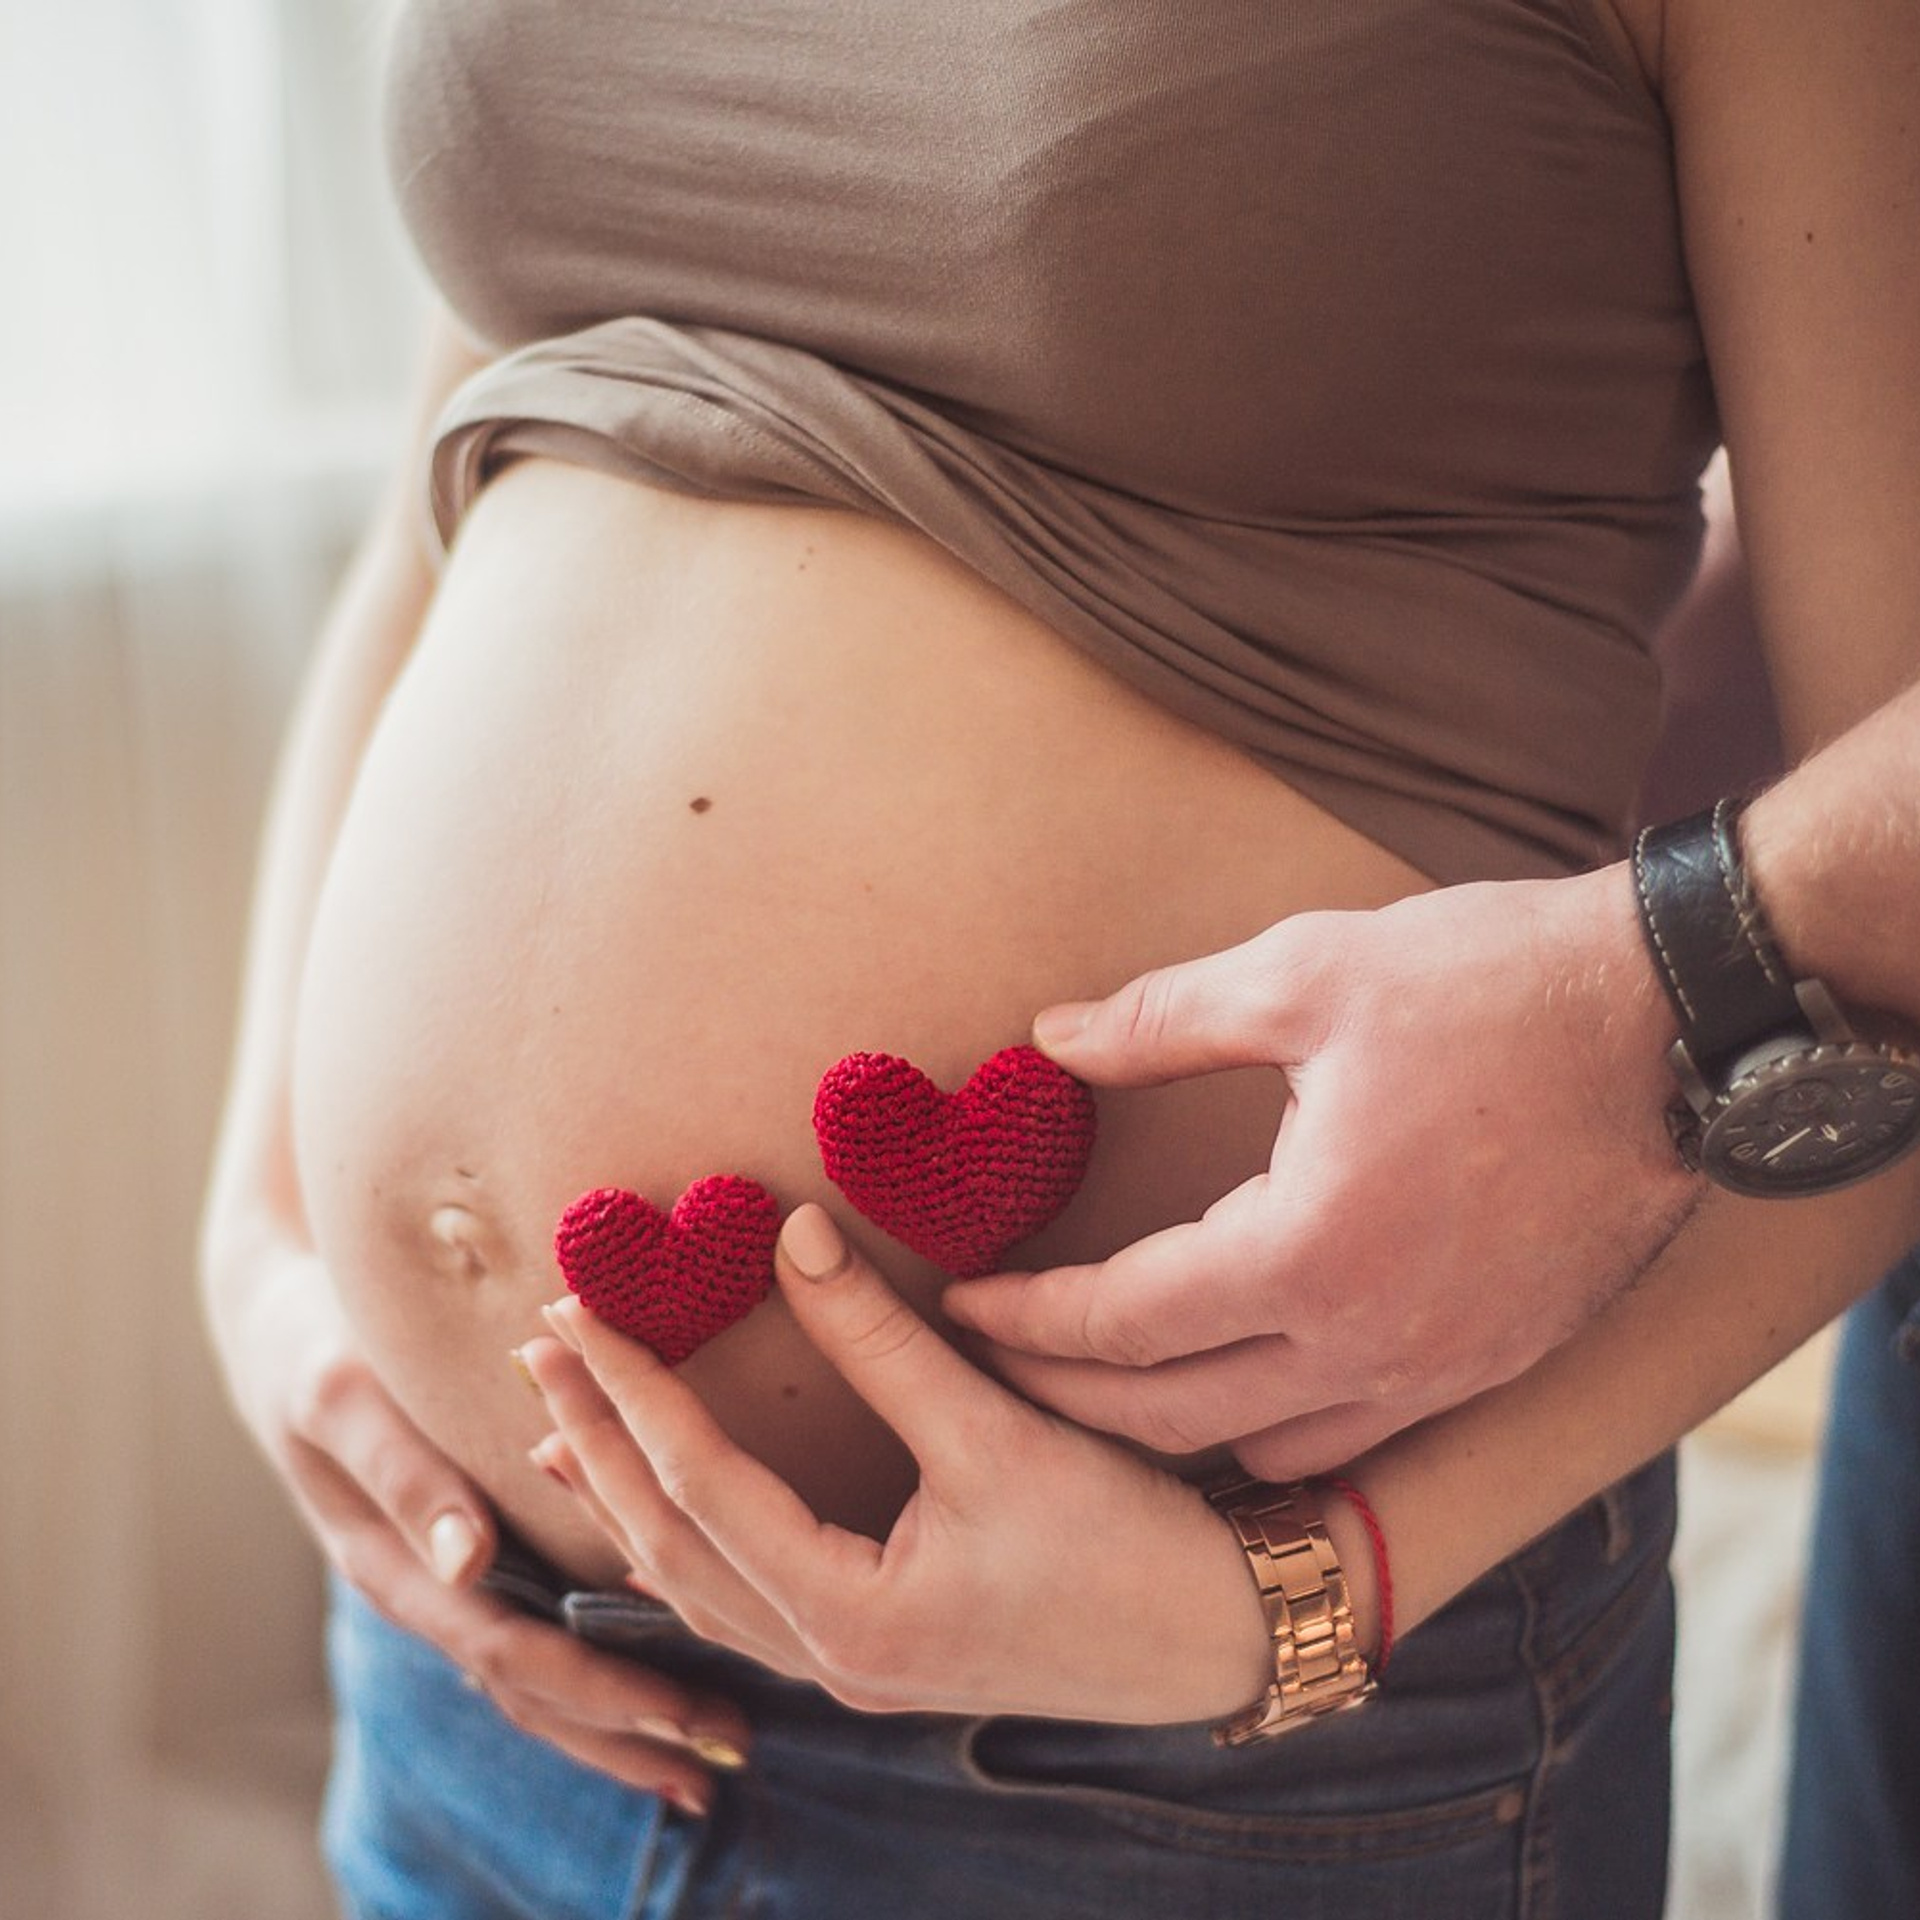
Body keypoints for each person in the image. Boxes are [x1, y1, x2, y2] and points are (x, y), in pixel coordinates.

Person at [197, 3, 1920, 1918]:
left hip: (1196, 1752)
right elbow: (465, 473)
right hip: (495, 1678)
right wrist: (260, 1242)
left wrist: (1295, 1598)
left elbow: (1891, 948)